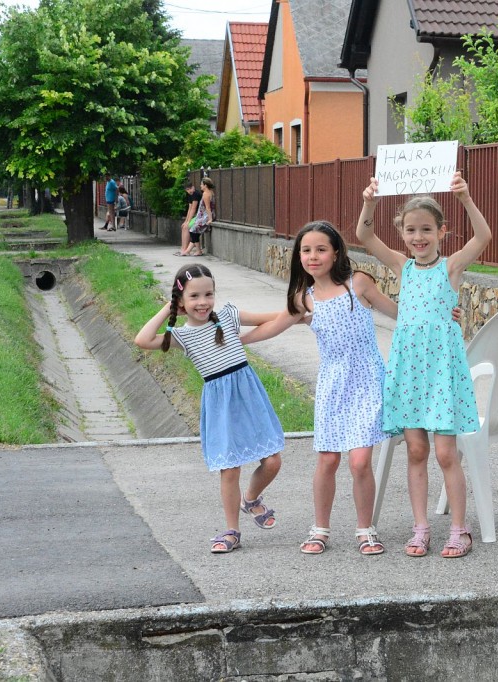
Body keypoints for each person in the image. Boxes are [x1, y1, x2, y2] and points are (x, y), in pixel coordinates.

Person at [241, 221, 399, 557]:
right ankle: (320, 529)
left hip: (367, 381)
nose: (313, 256)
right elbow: (271, 327)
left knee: (359, 461)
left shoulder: (358, 283)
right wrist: (233, 341)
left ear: (336, 252)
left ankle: (365, 529)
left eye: (321, 249)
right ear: (299, 256)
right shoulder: (304, 298)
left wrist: (440, 313)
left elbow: (399, 312)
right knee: (327, 460)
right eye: (306, 250)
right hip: (332, 385)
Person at [356, 171, 492, 559]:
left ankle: (459, 530)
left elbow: (483, 237)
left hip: (441, 372)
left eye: (427, 229)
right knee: (416, 450)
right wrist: (370, 202)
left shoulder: (451, 268)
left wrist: (465, 198)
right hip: (408, 371)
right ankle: (420, 528)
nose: (419, 237)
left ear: (441, 231)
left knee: (446, 453)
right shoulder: (403, 267)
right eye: (412, 230)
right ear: (402, 233)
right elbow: (364, 235)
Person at [134, 264, 285, 554]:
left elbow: (273, 318)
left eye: (208, 294)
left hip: (249, 397)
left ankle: (251, 498)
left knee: (273, 461)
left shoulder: (228, 315)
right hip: (219, 405)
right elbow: (143, 340)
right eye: (194, 296)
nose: (202, 302)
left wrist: (305, 315)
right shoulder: (182, 336)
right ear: (181, 299)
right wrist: (168, 308)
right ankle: (232, 531)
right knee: (230, 469)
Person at [181, 177, 214, 257]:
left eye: (202, 184)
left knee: (193, 230)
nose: (200, 186)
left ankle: (196, 250)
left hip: (204, 216)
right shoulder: (209, 192)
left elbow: (208, 208)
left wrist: (210, 219)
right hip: (203, 216)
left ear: (205, 185)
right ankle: (189, 250)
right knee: (194, 231)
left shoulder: (206, 194)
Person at [177, 179, 202, 256]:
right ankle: (183, 248)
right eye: (187, 190)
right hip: (195, 216)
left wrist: (188, 222)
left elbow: (194, 209)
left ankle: (185, 249)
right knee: (184, 226)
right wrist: (186, 221)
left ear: (193, 187)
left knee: (187, 227)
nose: (189, 191)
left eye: (190, 189)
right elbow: (190, 208)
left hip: (199, 215)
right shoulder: (190, 195)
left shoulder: (195, 194)